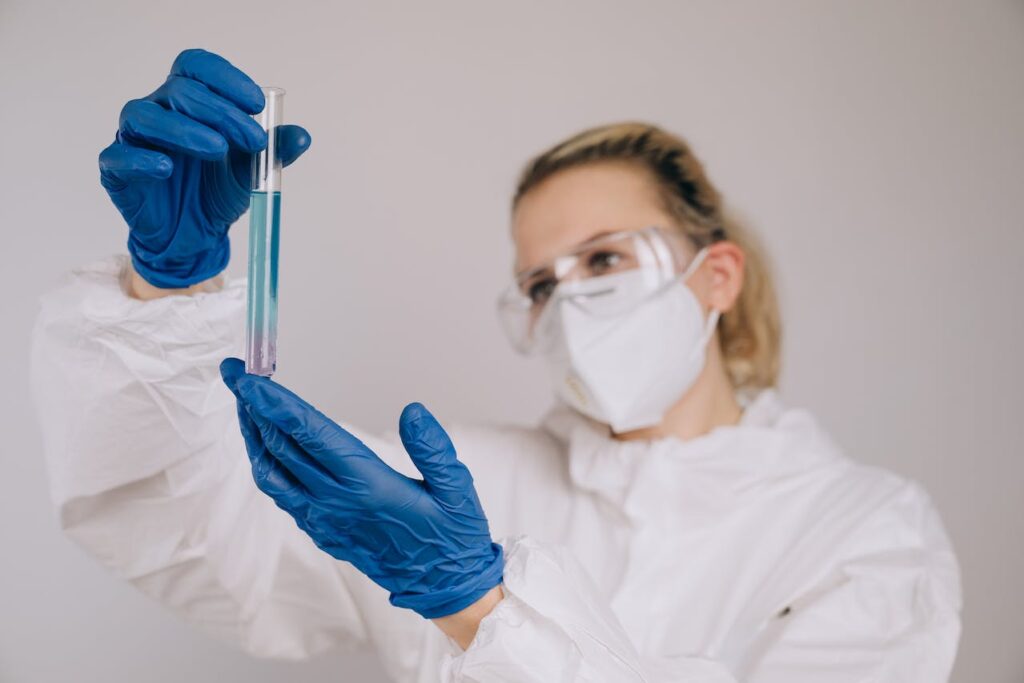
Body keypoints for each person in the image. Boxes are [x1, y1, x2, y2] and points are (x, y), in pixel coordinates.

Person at [30, 48, 962, 682]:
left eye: (603, 260)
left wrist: (479, 603)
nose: (570, 300)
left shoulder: (867, 533)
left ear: (715, 275)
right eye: (540, 282)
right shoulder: (451, 486)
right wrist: (167, 282)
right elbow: (186, 524)